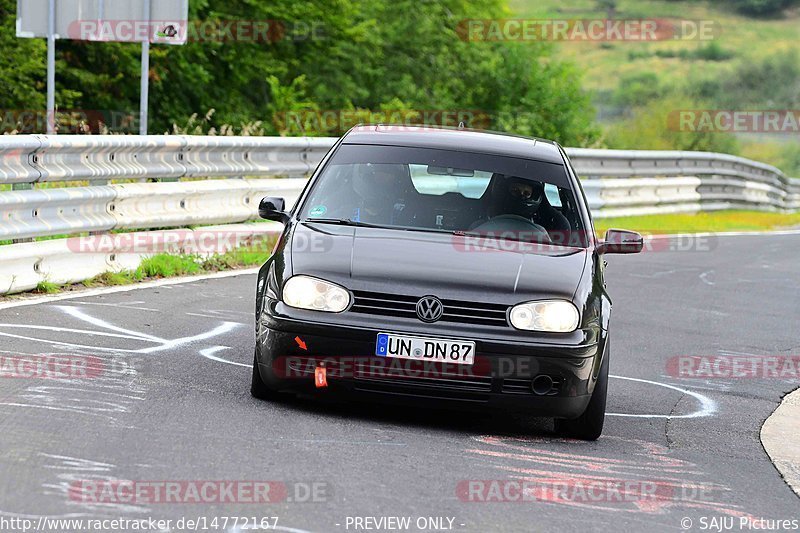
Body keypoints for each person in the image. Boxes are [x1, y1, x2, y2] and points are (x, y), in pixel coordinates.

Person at [480, 174, 572, 242]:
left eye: (527, 194)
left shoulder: (544, 232)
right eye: (515, 191)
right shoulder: (480, 225)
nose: (521, 196)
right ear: (503, 192)